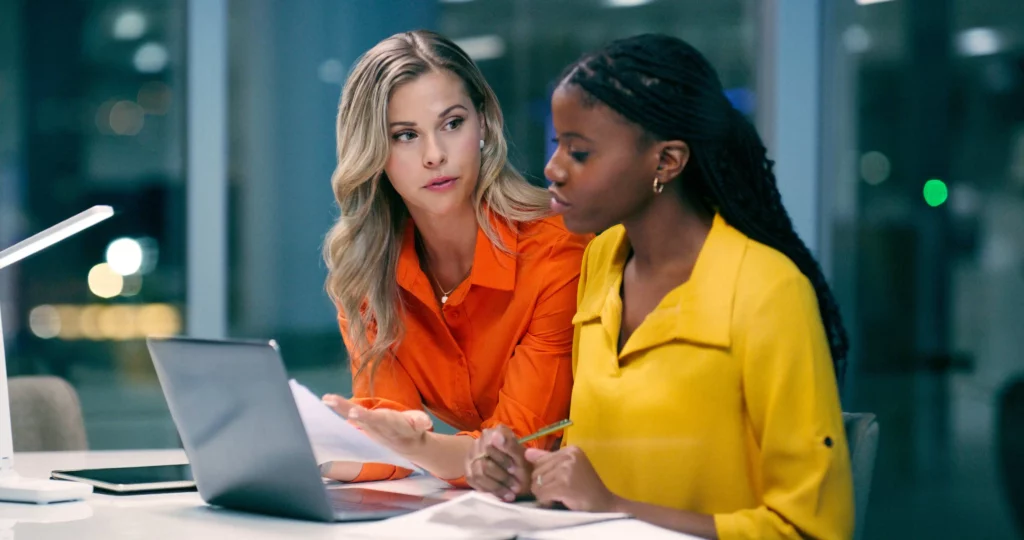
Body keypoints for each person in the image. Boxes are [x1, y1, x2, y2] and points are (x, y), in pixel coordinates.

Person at [466, 34, 854, 539]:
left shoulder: (769, 291)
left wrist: (615, 506)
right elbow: (604, 458)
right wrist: (528, 471)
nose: (553, 169)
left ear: (666, 161)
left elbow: (811, 530)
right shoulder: (601, 259)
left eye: (579, 152)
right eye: (557, 143)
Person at [318, 30, 589, 492]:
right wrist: (301, 454)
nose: (435, 156)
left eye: (452, 123)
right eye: (405, 135)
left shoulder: (557, 250)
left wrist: (418, 449)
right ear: (374, 153)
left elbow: (517, 448)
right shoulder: (367, 272)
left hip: (586, 510)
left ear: (483, 124)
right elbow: (388, 450)